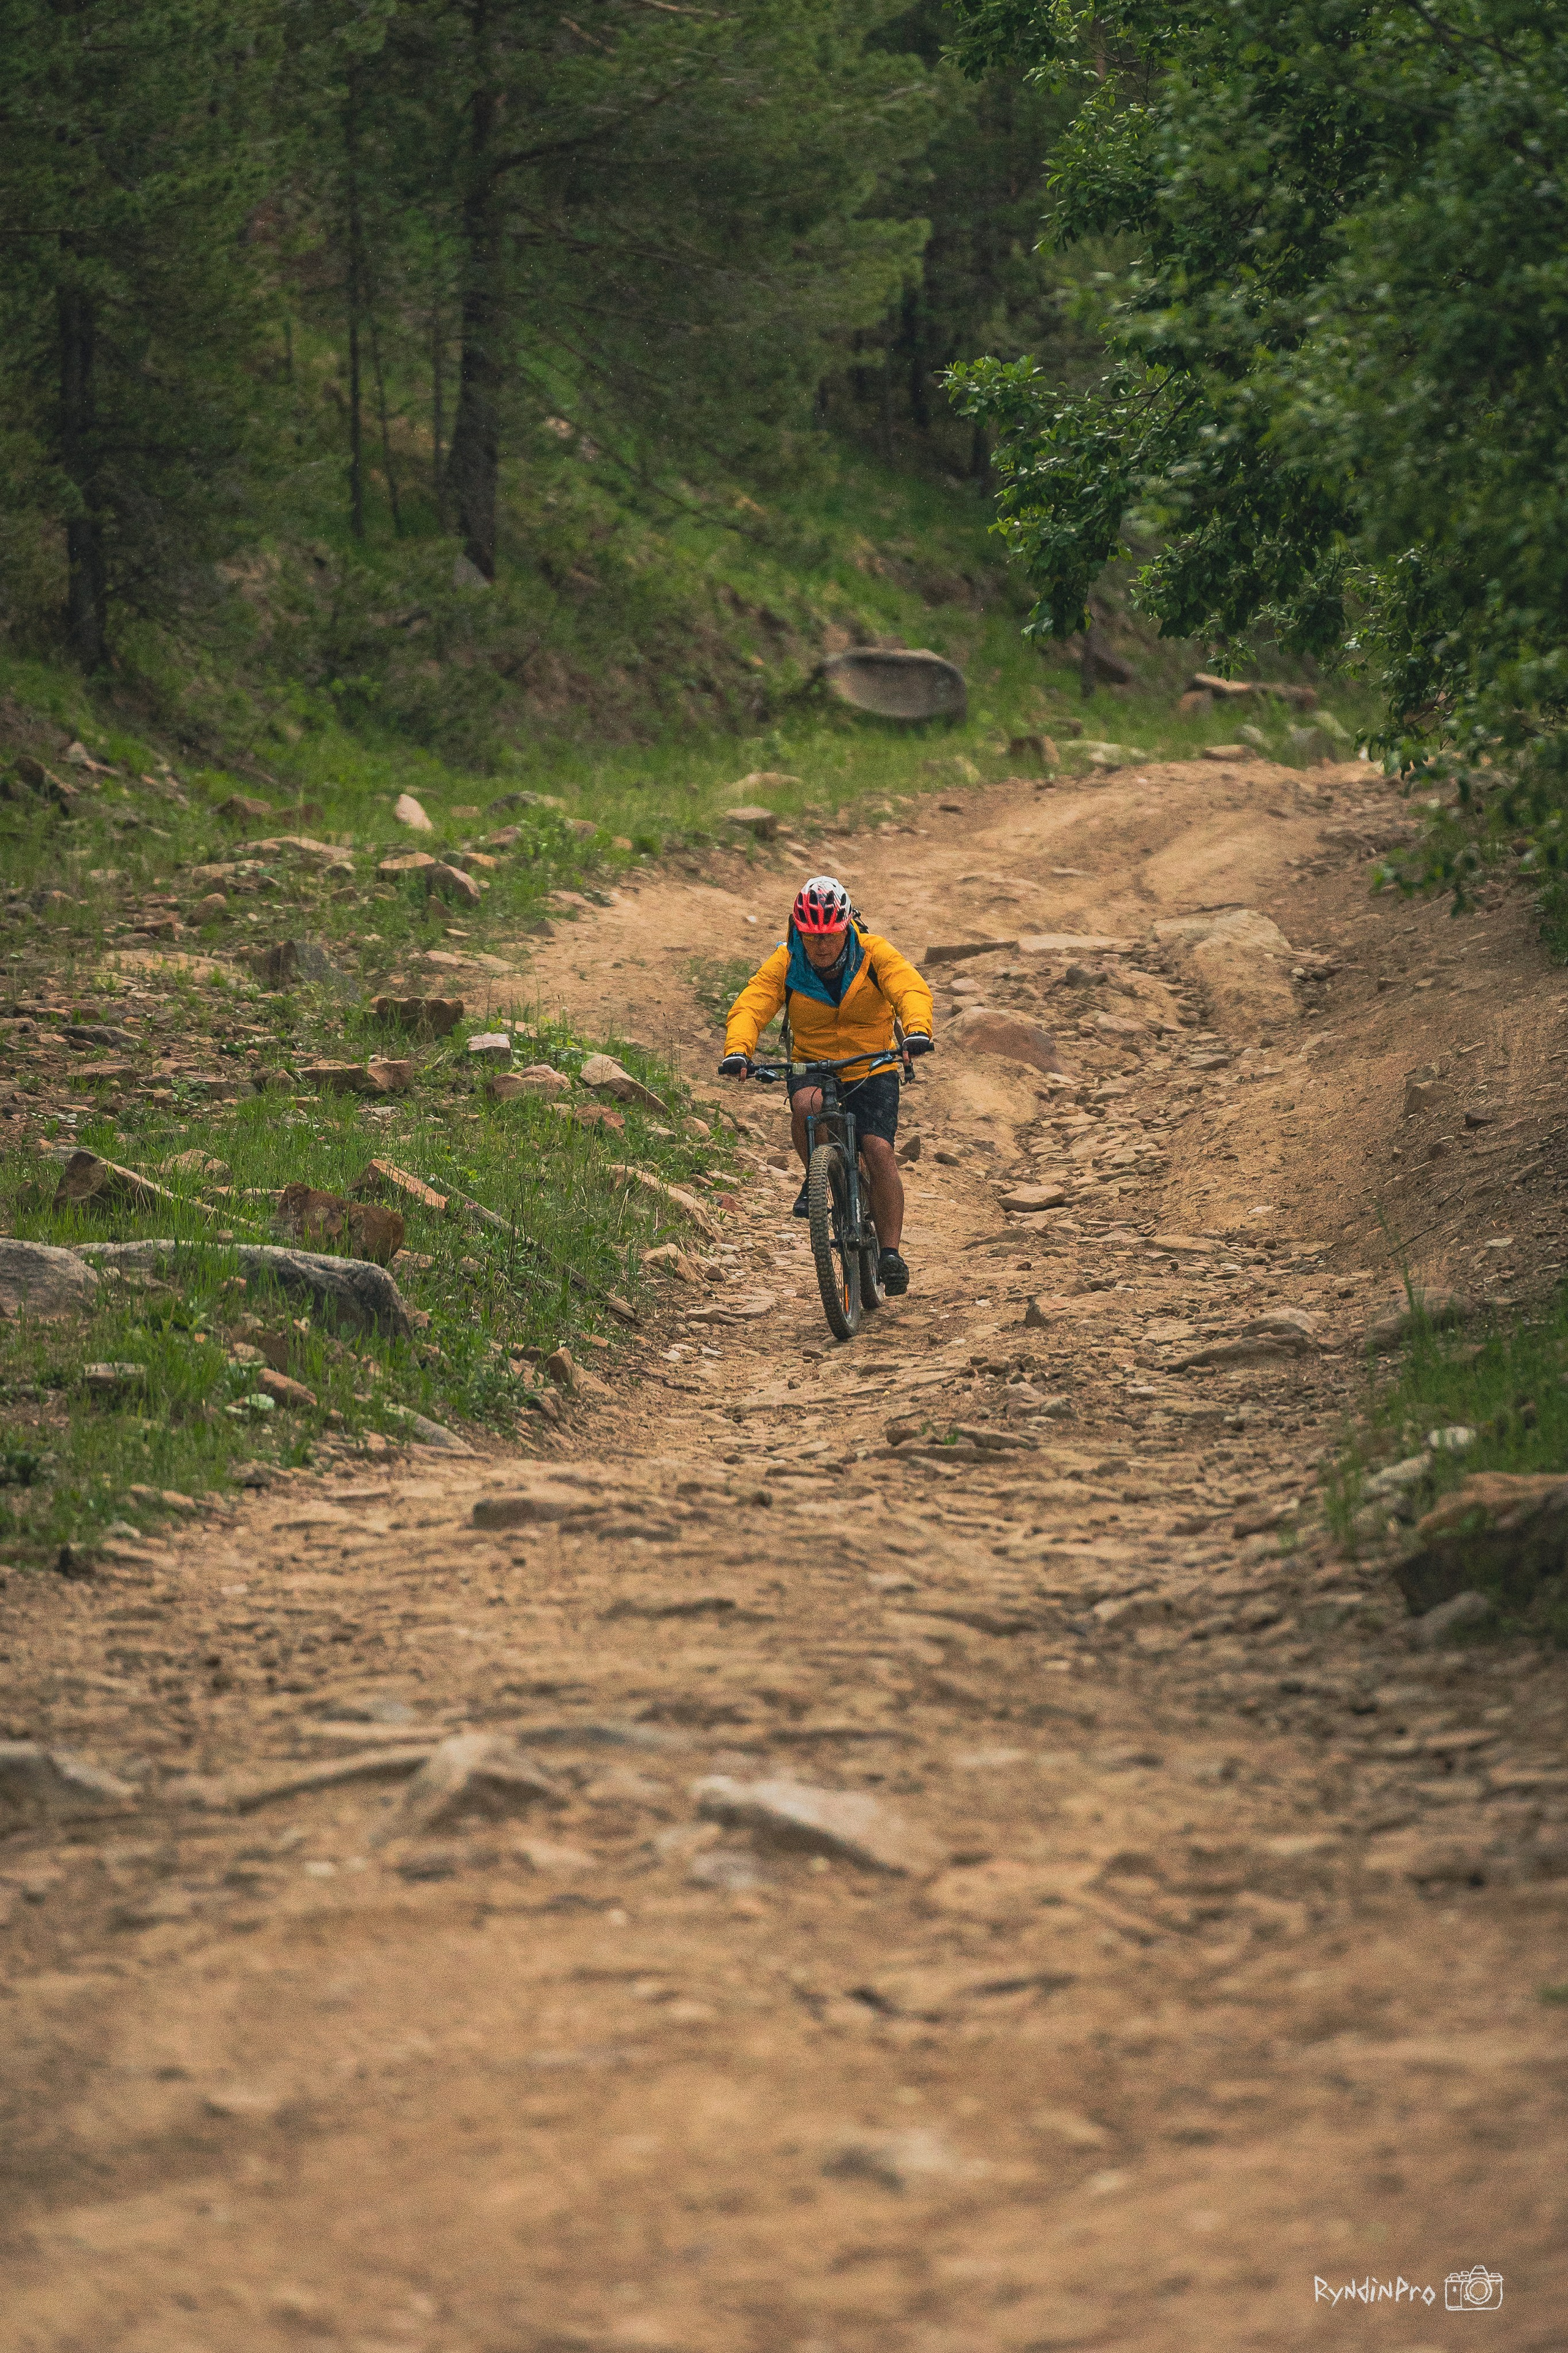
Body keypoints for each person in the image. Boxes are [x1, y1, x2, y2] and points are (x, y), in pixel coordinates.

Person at [717, 875, 933, 1295]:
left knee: (879, 1149)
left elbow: (908, 987)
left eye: (830, 934)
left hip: (871, 1061)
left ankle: (890, 1252)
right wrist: (738, 1050)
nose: (821, 945)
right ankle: (820, 1177)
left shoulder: (874, 953)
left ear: (846, 925)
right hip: (814, 1061)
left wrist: (917, 1030)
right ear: (799, 929)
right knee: (806, 1105)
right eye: (812, 935)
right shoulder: (787, 961)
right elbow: (753, 1002)